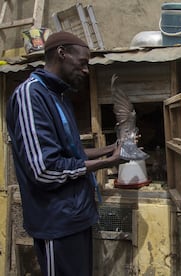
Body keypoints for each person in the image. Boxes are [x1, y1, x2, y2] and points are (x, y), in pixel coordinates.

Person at [6, 32, 124, 276]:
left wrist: (110, 149)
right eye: (82, 63)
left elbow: (73, 153)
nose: (86, 71)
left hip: (76, 216)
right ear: (61, 53)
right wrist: (105, 163)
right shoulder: (31, 96)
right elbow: (45, 170)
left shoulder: (59, 96)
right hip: (56, 222)